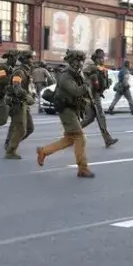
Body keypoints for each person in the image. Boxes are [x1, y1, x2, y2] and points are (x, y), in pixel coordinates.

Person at [36, 50, 94, 178]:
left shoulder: (75, 74)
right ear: (71, 61)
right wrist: (87, 83)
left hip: (72, 109)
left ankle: (44, 151)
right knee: (80, 137)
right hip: (66, 110)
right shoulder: (66, 76)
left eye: (81, 61)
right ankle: (82, 168)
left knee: (70, 139)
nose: (79, 63)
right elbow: (76, 91)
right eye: (77, 61)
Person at [81, 48, 118, 147]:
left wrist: (107, 83)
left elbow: (102, 82)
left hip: (96, 94)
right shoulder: (92, 66)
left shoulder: (101, 68)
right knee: (100, 115)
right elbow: (85, 72)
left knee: (90, 118)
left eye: (103, 58)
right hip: (92, 95)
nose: (102, 60)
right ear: (96, 58)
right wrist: (95, 70)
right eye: (100, 58)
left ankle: (72, 132)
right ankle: (107, 139)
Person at [3, 50, 36, 159]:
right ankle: (10, 151)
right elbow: (16, 87)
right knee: (21, 129)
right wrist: (27, 96)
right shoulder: (19, 71)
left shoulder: (26, 71)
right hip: (17, 103)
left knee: (29, 128)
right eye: (31, 58)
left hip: (23, 103)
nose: (33, 60)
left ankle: (10, 143)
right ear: (25, 59)